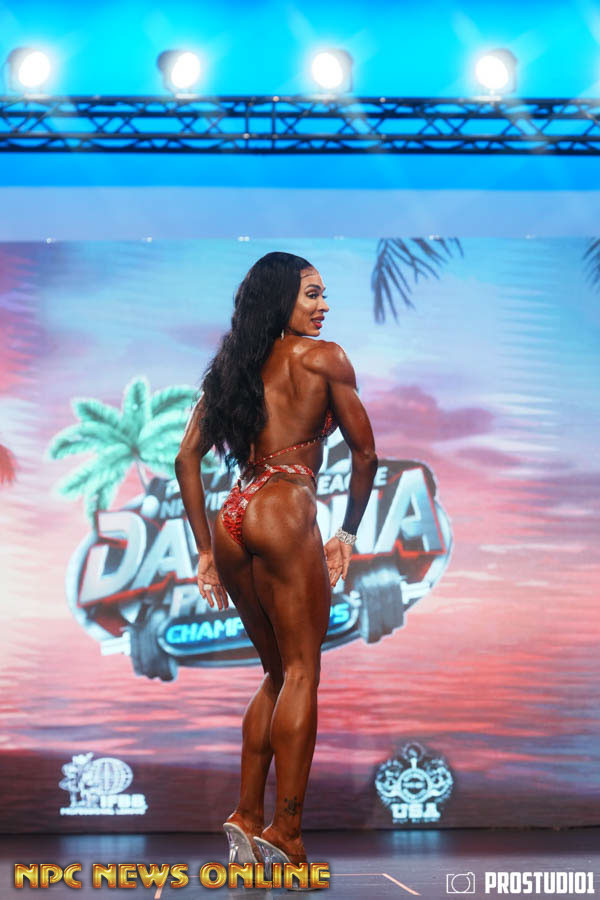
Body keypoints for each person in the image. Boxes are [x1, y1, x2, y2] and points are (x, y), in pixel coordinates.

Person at [175, 251, 378, 874]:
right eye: (312, 293)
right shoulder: (325, 358)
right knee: (302, 671)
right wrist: (346, 532)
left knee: (275, 673)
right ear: (280, 298)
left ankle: (245, 815)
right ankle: (286, 831)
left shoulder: (232, 368)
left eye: (324, 295)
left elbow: (185, 460)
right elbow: (366, 456)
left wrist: (205, 549)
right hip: (286, 507)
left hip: (235, 513)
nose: (324, 306)